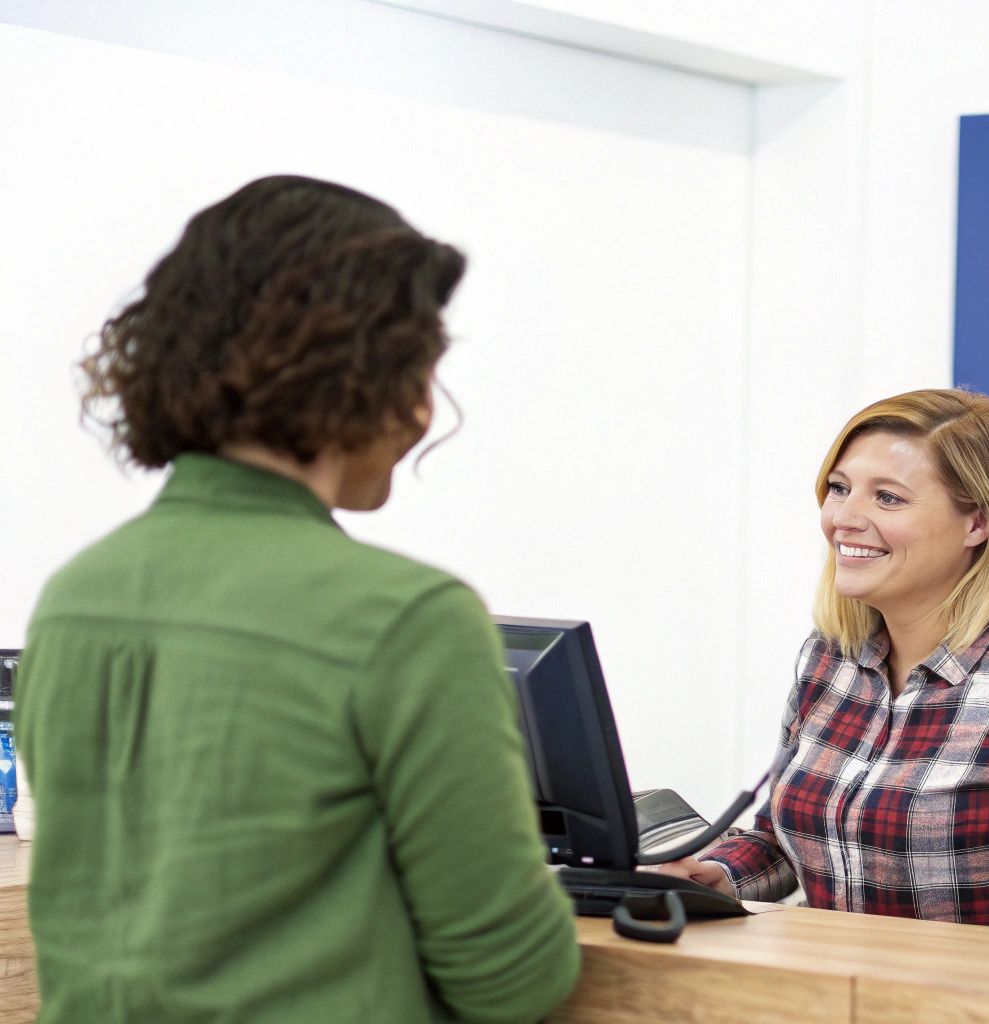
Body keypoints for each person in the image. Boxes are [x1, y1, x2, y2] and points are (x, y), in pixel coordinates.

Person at [14, 176, 579, 1023]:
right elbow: (510, 978)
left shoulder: (74, 597)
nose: (426, 411)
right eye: (423, 366)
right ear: (365, 373)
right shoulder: (408, 618)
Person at [659, 388, 989, 934]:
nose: (845, 518)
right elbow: (782, 840)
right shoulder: (829, 657)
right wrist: (714, 876)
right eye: (839, 489)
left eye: (888, 498)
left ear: (977, 523)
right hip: (824, 981)